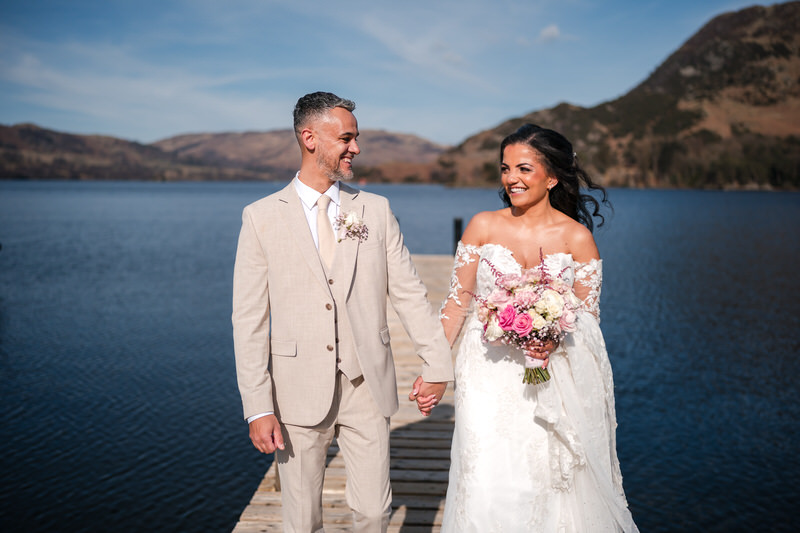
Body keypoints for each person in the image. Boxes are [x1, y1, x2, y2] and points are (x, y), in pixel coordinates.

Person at [232, 91, 453, 532]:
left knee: (373, 511)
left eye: (357, 138)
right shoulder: (260, 217)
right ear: (309, 137)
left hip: (366, 380)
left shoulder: (375, 209)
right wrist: (257, 407)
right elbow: (249, 319)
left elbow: (409, 291)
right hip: (295, 388)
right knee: (302, 517)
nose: (356, 148)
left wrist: (437, 363)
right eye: (346, 138)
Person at [438, 124, 638, 532]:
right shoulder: (482, 226)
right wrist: (434, 369)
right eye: (505, 168)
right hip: (485, 373)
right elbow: (457, 303)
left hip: (548, 377)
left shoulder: (577, 238)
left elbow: (589, 324)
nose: (512, 178)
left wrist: (553, 336)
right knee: (485, 475)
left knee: (538, 479)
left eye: (524, 169)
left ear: (552, 177)